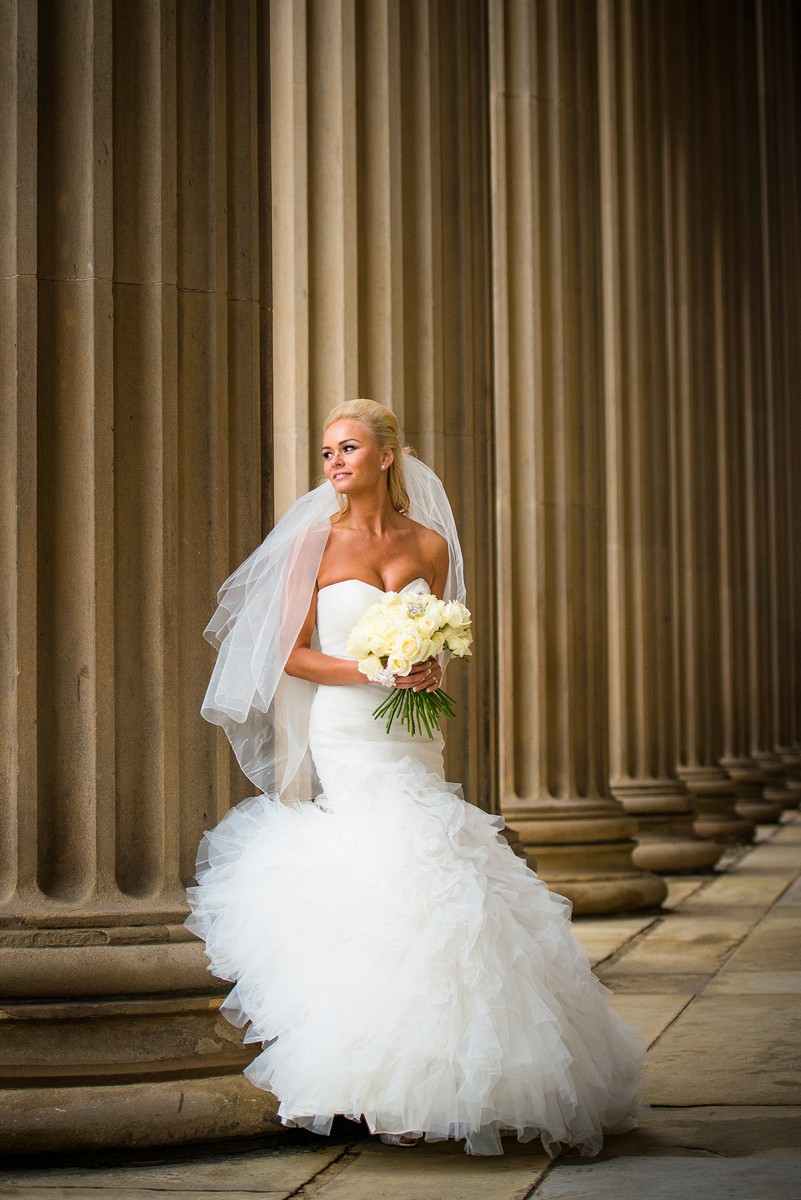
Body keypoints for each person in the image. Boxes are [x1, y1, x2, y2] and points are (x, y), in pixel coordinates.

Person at [186, 398, 645, 1157]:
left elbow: (439, 638)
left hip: (411, 732)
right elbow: (288, 653)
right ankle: (378, 1081)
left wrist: (427, 666)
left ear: (386, 457)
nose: (334, 464)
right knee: (386, 862)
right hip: (347, 726)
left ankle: (456, 1076)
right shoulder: (312, 543)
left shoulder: (428, 544)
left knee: (439, 863)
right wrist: (372, 666)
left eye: (348, 450)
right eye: (328, 453)